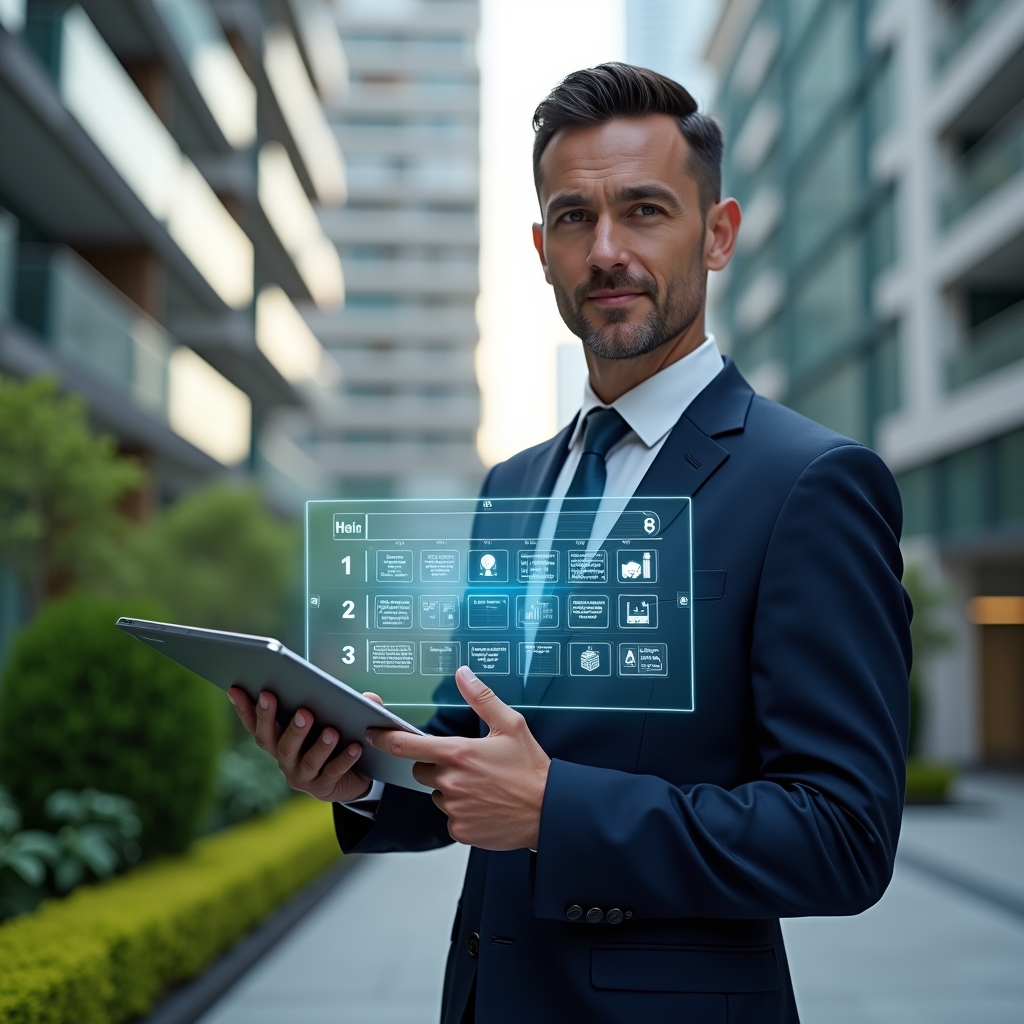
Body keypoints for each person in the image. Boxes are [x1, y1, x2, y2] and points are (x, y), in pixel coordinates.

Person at [228, 64, 912, 1024]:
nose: (608, 251)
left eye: (644, 210)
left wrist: (556, 811)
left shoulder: (810, 483)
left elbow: (843, 835)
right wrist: (362, 774)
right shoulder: (514, 485)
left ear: (717, 235)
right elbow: (475, 750)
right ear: (542, 247)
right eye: (576, 218)